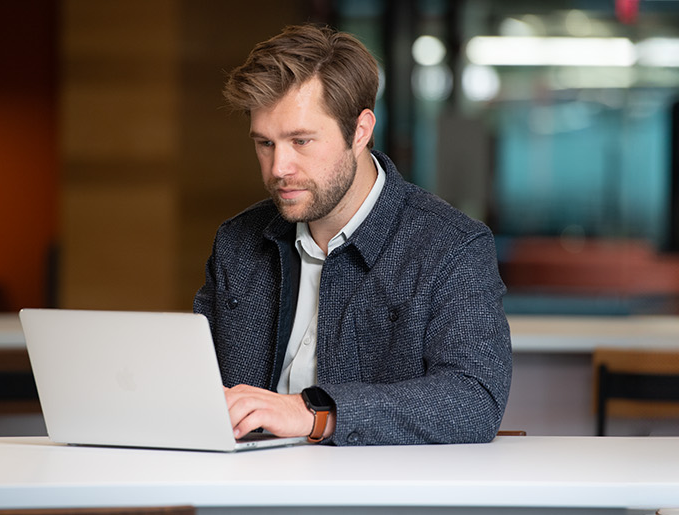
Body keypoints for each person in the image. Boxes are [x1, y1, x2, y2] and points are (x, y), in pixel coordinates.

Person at [195, 24, 511, 446]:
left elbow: (473, 400)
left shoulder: (451, 246)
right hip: (240, 495)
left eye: (301, 140)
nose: (278, 168)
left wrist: (314, 414)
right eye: (265, 143)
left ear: (360, 131)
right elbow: (196, 386)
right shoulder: (237, 243)